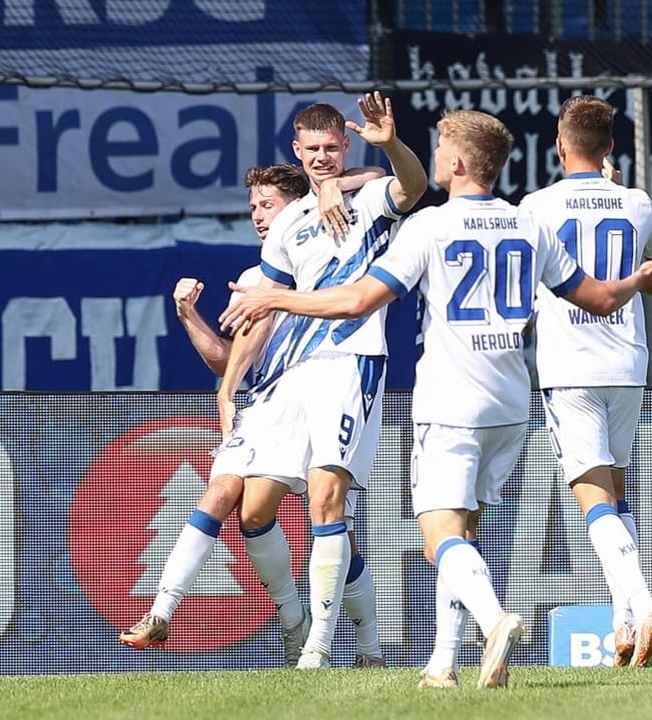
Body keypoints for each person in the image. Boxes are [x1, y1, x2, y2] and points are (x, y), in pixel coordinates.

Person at [219, 109, 652, 687]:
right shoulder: (526, 224)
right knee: (465, 536)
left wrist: (278, 301)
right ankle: (443, 664)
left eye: (439, 146)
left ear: (458, 163)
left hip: (451, 403)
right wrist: (637, 280)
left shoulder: (430, 226)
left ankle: (494, 620)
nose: (435, 155)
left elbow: (359, 300)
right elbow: (599, 299)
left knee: (442, 538)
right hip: (510, 403)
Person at [118, 163, 387, 668]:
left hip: (331, 380)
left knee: (332, 522)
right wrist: (189, 316)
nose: (259, 217)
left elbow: (381, 173)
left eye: (267, 205)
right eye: (253, 208)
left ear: (297, 204)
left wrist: (332, 184)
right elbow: (230, 357)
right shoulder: (254, 278)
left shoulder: (334, 243)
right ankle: (176, 613)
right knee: (238, 503)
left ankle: (364, 645)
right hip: (271, 400)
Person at [215, 92, 428, 670]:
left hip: (353, 361)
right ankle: (356, 639)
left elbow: (412, 186)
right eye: (313, 150)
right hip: (293, 378)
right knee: (256, 509)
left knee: (324, 505)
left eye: (333, 148)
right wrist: (229, 384)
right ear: (297, 150)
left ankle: (317, 648)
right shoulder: (289, 219)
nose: (323, 158)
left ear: (348, 145)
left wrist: (391, 148)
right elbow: (265, 306)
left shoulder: (373, 195)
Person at [518, 95, 652, 667]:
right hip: (627, 363)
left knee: (590, 496)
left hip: (569, 365)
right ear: (611, 147)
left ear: (559, 147)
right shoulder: (638, 204)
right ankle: (624, 627)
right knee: (616, 492)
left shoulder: (533, 207)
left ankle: (646, 604)